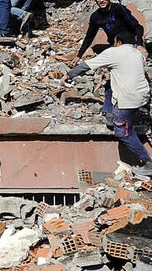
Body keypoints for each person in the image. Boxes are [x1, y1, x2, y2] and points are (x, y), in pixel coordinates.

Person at [65, 32, 152, 176]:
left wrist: (68, 75)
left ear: (118, 42)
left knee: (123, 132)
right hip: (142, 97)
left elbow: (87, 65)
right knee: (110, 85)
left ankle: (147, 162)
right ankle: (110, 115)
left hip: (128, 99)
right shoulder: (137, 53)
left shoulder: (114, 52)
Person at [73, 0, 145, 64]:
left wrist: (139, 44)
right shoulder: (95, 17)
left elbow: (137, 26)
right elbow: (89, 38)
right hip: (114, 46)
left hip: (130, 44)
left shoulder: (118, 8)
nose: (101, 1)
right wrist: (79, 55)